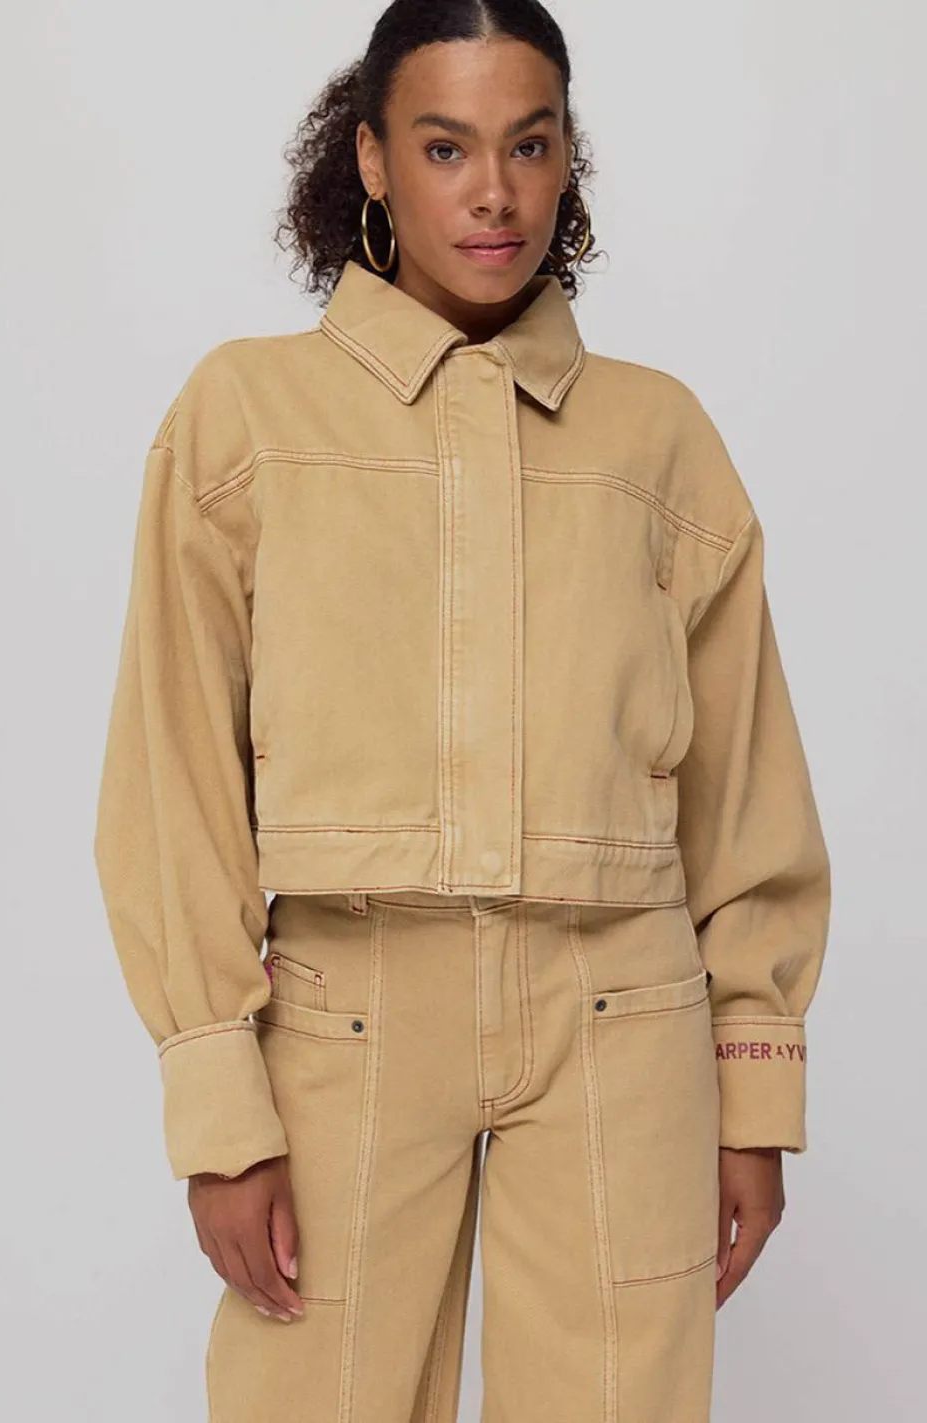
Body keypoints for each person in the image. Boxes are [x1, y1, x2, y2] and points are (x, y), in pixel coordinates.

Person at [93, 2, 832, 1419]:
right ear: (372, 159)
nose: (493, 192)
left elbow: (746, 793)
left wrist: (755, 1083)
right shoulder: (246, 418)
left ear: (566, 160)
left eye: (528, 145)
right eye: (445, 147)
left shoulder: (660, 438)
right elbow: (169, 783)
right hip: (345, 1006)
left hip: (623, 1013)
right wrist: (219, 1105)